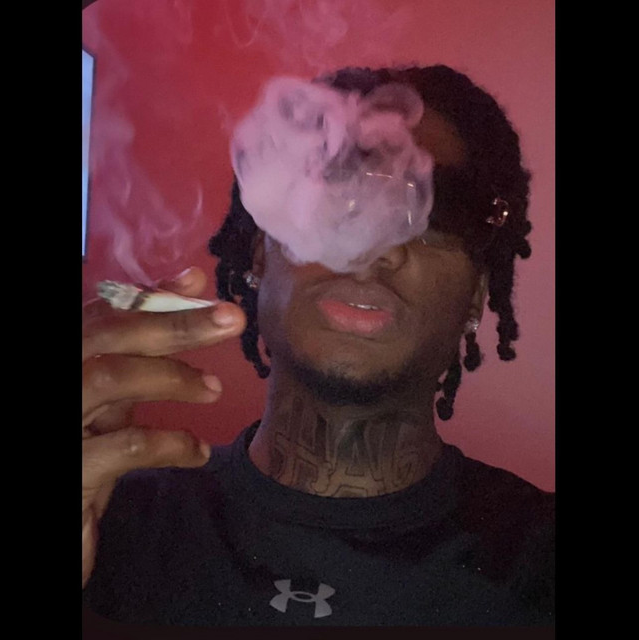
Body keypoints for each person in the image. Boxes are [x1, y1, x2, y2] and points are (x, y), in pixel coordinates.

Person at [82, 65, 554, 627]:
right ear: (261, 255)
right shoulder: (106, 521)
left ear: (476, 298)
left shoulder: (539, 562)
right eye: (340, 191)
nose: (375, 245)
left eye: (436, 208)